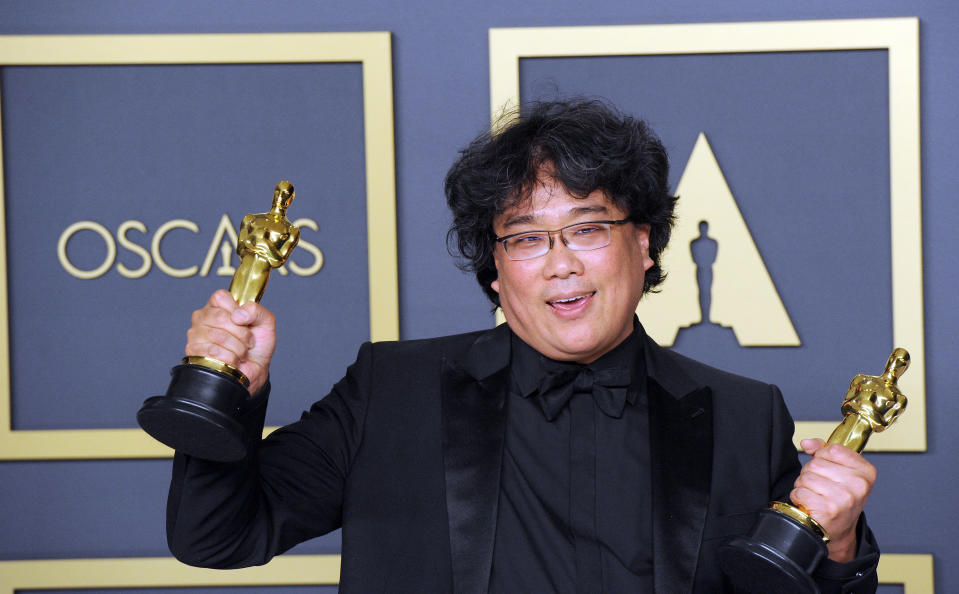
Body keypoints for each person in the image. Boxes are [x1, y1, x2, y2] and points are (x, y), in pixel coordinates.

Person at [167, 99, 879, 593]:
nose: (560, 263)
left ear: (644, 244)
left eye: (588, 229)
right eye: (526, 238)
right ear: (496, 272)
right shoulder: (393, 389)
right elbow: (217, 538)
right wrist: (230, 390)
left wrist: (839, 544)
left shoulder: (743, 415)